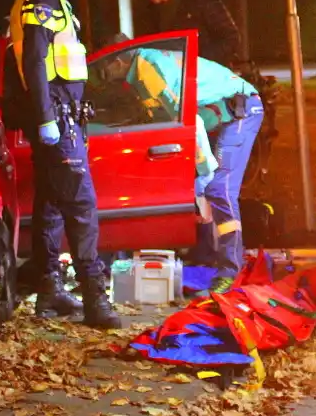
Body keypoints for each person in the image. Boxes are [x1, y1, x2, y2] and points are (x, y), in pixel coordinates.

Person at [6, 0, 120, 329]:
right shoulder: (44, 1)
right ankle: (95, 300)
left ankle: (50, 291)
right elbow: (36, 62)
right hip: (58, 118)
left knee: (51, 205)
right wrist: (45, 118)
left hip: (58, 117)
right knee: (82, 207)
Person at [103, 33, 262, 284]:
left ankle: (230, 272)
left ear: (119, 61)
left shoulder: (148, 70)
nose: (105, 74)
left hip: (240, 110)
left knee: (219, 188)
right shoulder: (142, 69)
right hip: (218, 111)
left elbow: (189, 122)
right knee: (207, 187)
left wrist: (205, 168)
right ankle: (210, 255)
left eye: (106, 66)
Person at [135, 0, 242, 68]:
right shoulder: (148, 13)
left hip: (207, 76)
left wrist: (197, 58)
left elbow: (231, 38)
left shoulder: (200, 0)